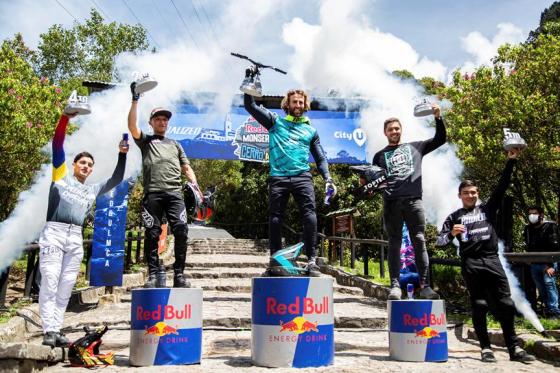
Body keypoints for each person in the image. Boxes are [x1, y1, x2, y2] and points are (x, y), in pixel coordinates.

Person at [435, 148, 535, 363]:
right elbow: (439, 241)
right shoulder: (454, 216)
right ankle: (485, 348)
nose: (471, 195)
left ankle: (514, 349)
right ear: (460, 196)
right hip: (470, 263)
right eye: (466, 193)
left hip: (492, 259)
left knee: (506, 304)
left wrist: (511, 161)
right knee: (479, 304)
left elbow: (502, 186)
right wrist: (451, 234)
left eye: (474, 192)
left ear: (477, 193)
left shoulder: (488, 210)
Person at [40, 109, 128, 347]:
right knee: (49, 279)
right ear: (74, 164)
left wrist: (122, 155)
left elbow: (116, 179)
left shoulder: (92, 189)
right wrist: (65, 118)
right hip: (54, 233)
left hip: (75, 238)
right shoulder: (61, 176)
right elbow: (57, 144)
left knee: (67, 284)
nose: (87, 167)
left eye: (90, 165)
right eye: (83, 163)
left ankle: (56, 329)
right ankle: (48, 329)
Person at [244, 89, 335, 277]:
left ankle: (311, 261)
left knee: (310, 216)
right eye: (295, 102)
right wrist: (249, 85)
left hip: (302, 176)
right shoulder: (275, 122)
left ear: (305, 105)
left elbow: (320, 158)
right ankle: (275, 261)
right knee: (275, 219)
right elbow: (249, 105)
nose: (298, 106)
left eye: (301, 102)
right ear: (287, 104)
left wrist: (328, 178)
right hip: (279, 177)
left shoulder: (310, 130)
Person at [128, 83, 198, 288]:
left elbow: (187, 168)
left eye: (165, 119)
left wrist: (196, 187)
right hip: (153, 195)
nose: (162, 121)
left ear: (168, 123)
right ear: (151, 122)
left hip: (175, 194)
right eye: (158, 119)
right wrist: (135, 100)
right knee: (151, 232)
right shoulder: (146, 141)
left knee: (182, 230)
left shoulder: (176, 145)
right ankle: (152, 274)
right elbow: (132, 126)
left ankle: (179, 274)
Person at [372, 105, 444, 299]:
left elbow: (440, 140)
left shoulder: (416, 147)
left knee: (419, 240)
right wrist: (368, 186)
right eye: (390, 129)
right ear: (385, 133)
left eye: (396, 128)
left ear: (401, 130)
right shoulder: (378, 156)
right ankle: (394, 286)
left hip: (414, 202)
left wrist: (438, 117)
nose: (394, 131)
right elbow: (374, 182)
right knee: (394, 243)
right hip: (391, 204)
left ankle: (426, 286)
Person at [523, 206, 560, 318]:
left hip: (548, 263)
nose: (532, 216)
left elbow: (555, 246)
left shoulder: (551, 226)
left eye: (534, 213)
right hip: (535, 263)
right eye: (530, 214)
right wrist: (529, 260)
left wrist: (550, 265)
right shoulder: (528, 229)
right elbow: (528, 245)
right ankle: (548, 309)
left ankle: (555, 311)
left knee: (549, 284)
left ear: (541, 214)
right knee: (541, 287)